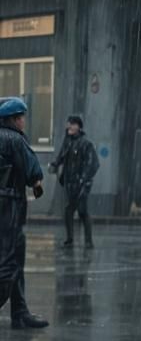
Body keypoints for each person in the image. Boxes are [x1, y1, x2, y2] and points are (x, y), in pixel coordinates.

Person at [0, 97, 49, 328]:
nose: (23, 122)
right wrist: (37, 184)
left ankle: (20, 311)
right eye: (21, 118)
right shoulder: (16, 139)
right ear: (13, 119)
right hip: (10, 208)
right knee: (11, 262)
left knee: (10, 261)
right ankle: (19, 313)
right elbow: (33, 173)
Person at [50, 115, 100, 248]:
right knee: (69, 210)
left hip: (82, 184)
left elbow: (93, 163)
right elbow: (61, 157)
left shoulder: (85, 144)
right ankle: (70, 239)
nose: (70, 126)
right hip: (70, 183)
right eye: (69, 123)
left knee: (82, 211)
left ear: (79, 127)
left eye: (73, 124)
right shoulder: (67, 142)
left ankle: (88, 241)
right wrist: (55, 165)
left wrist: (84, 178)